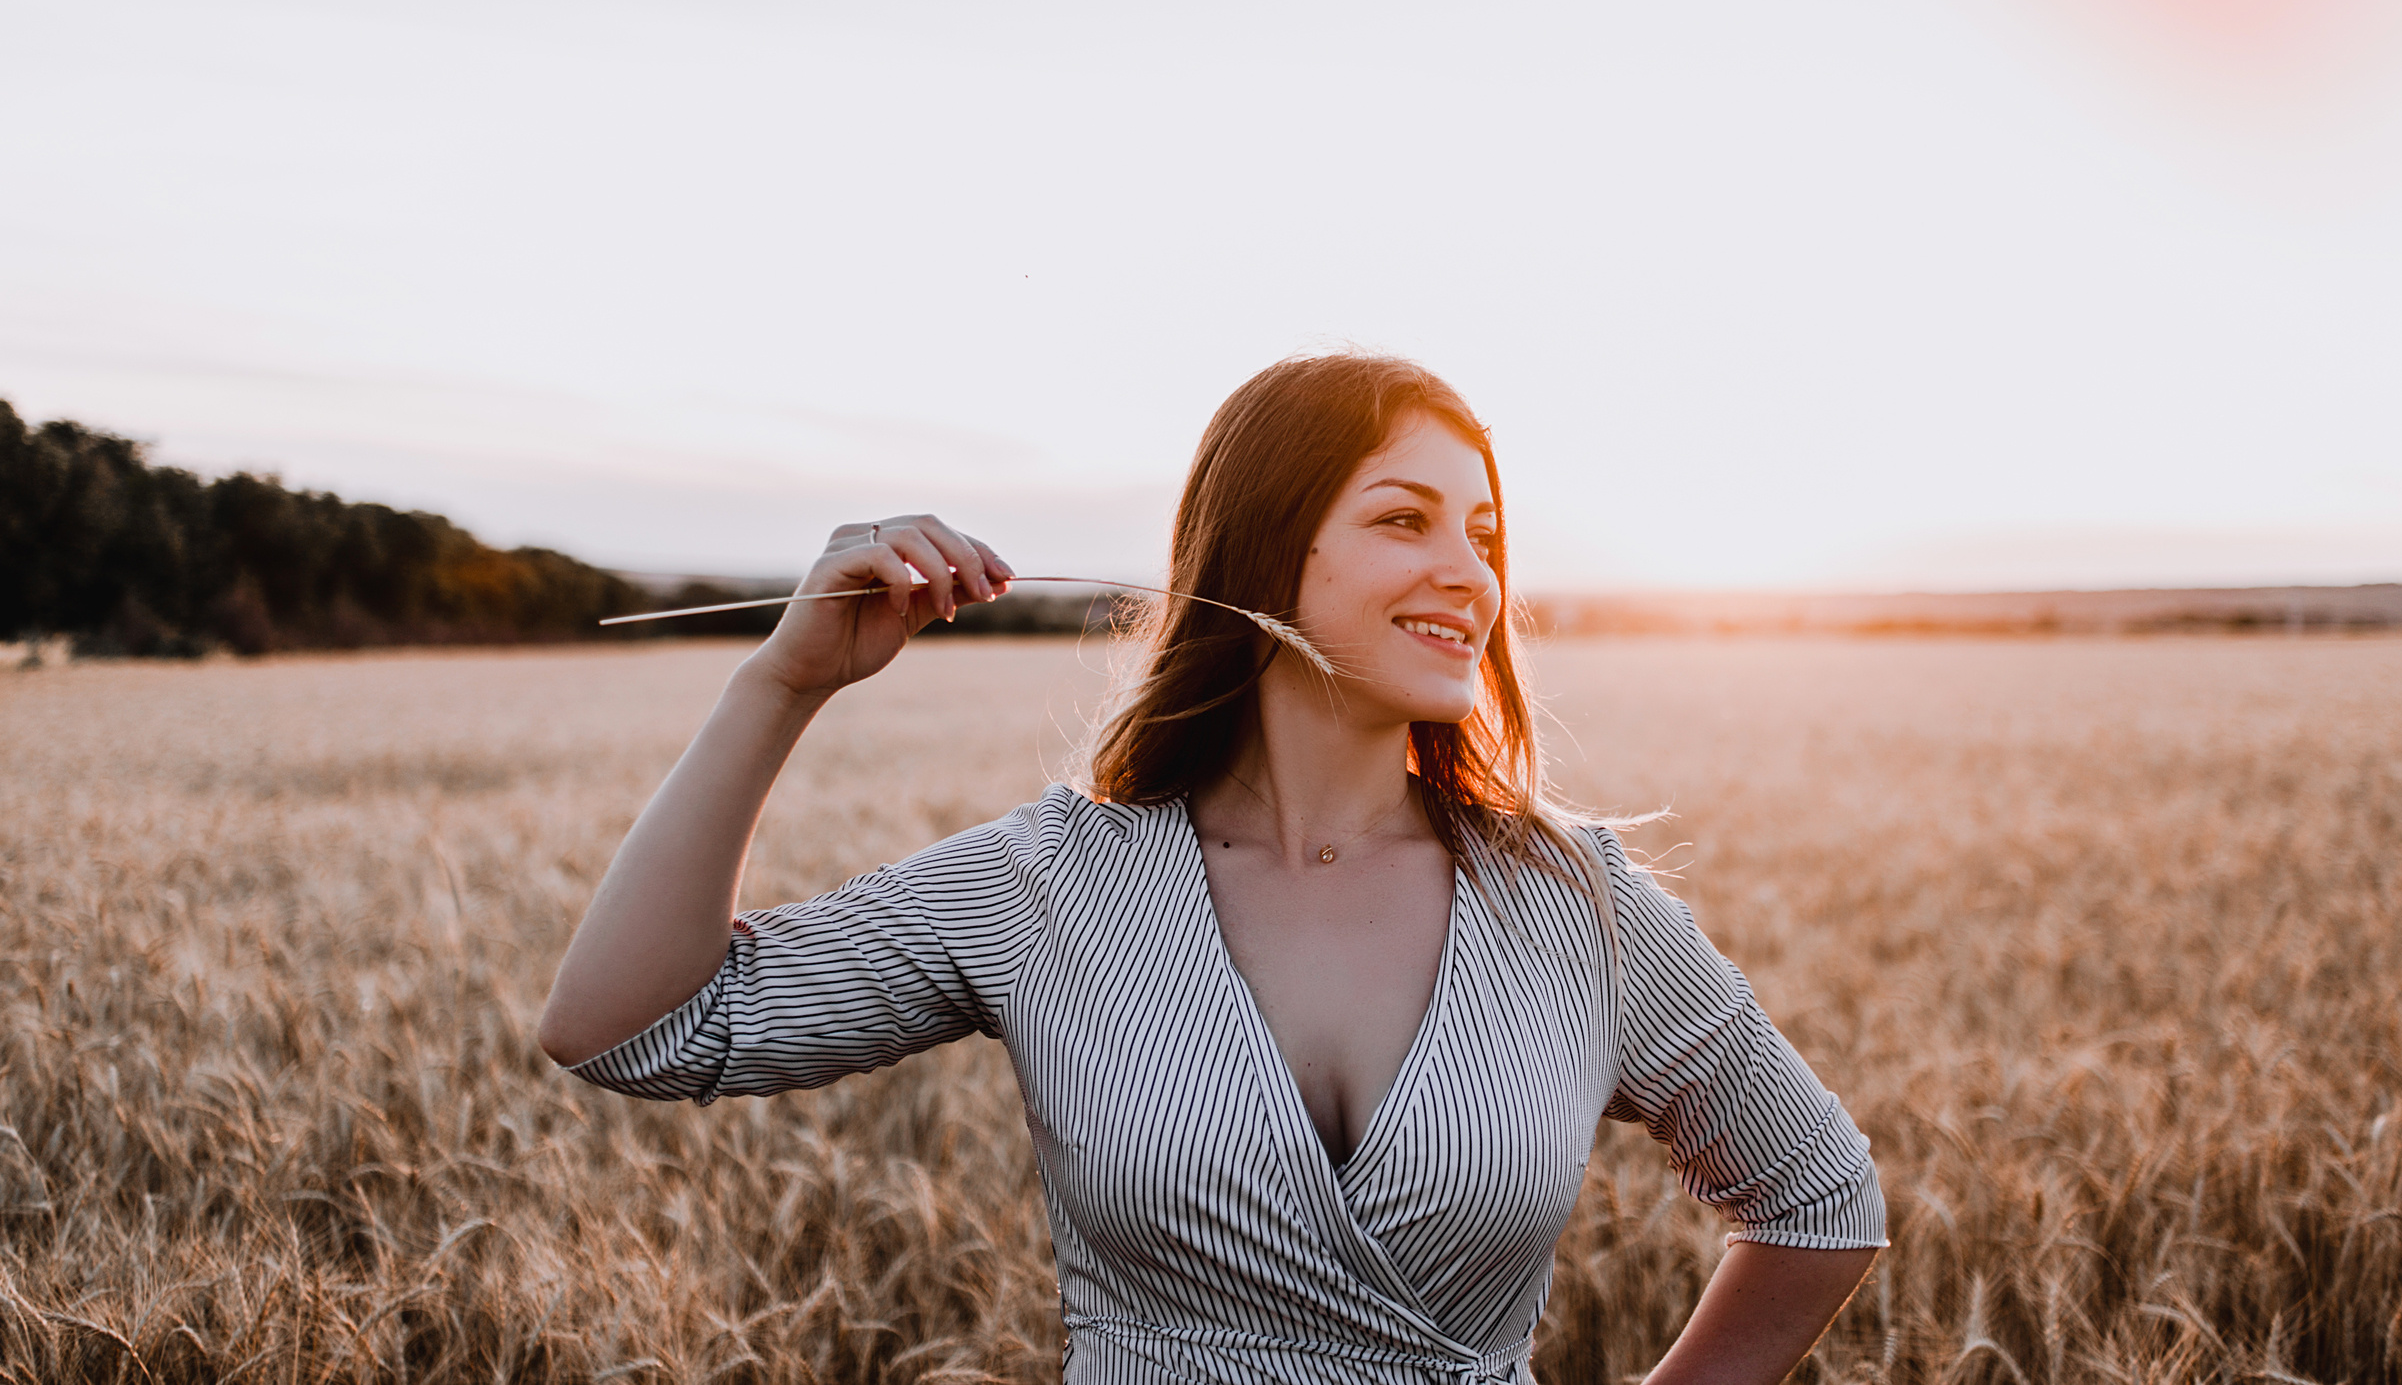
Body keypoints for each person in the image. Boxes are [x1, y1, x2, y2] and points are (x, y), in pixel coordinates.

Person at [539, 353, 1885, 1385]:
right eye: (1406, 520)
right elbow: (636, 1029)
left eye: (1484, 533)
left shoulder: (1577, 907)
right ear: (1261, 553)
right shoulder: (1046, 887)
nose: (1468, 575)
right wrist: (786, 681)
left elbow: (1819, 1199)